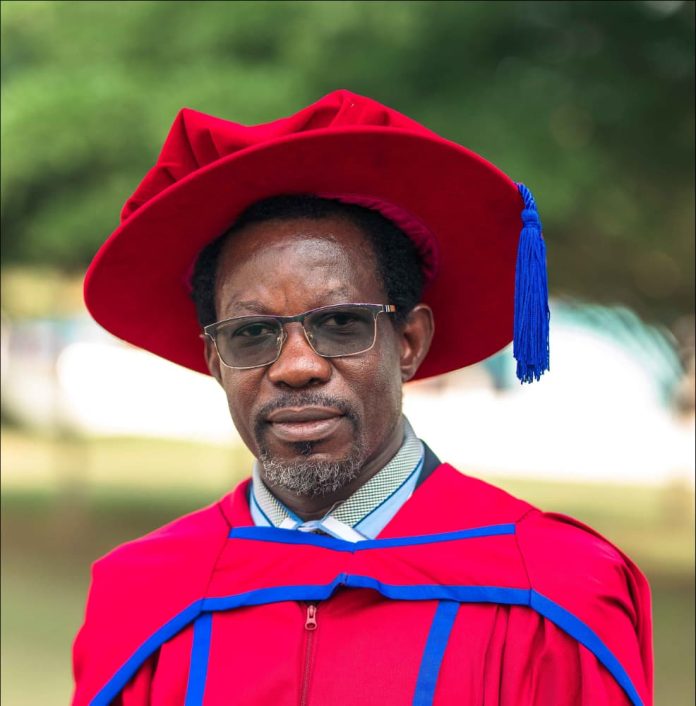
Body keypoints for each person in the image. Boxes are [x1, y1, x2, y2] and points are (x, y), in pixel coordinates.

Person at [71, 90, 652, 706]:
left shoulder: (551, 593)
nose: (296, 367)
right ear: (216, 361)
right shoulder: (145, 599)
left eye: (341, 323)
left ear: (408, 342)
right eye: (252, 333)